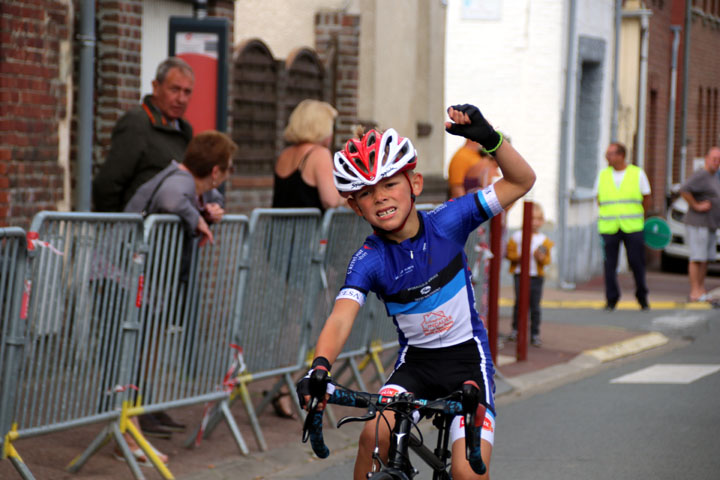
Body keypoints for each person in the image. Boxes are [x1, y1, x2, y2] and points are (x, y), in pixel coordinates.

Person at [297, 103, 536, 480]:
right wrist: (319, 367)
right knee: (374, 437)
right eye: (367, 192)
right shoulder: (369, 260)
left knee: (466, 472)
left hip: (468, 364)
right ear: (354, 206)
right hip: (417, 366)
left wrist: (490, 139)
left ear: (415, 184)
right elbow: (341, 317)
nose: (381, 197)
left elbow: (521, 181)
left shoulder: (449, 221)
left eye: (390, 184)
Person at [123, 130, 236, 447]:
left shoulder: (192, 182)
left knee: (146, 348)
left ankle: (141, 409)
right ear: (215, 172)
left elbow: (212, 199)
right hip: (125, 273)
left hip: (151, 280)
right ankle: (127, 432)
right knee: (131, 350)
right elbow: (172, 199)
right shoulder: (181, 180)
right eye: (227, 170)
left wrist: (211, 210)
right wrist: (197, 220)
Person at [268, 99, 344, 418]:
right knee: (315, 317)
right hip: (310, 248)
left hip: (282, 245)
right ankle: (292, 385)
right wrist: (351, 193)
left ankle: (284, 381)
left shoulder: (286, 155)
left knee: (293, 317)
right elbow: (329, 198)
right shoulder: (318, 155)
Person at [93, 57, 195, 212]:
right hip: (136, 228)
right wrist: (118, 225)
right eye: (174, 90)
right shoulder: (137, 123)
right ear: (156, 87)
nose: (181, 99)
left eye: (187, 92)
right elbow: (109, 182)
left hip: (166, 231)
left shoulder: (185, 130)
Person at [595, 142, 651, 311]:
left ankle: (642, 297)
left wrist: (639, 215)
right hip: (609, 226)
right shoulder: (603, 175)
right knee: (609, 265)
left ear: (621, 155)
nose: (607, 157)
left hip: (632, 226)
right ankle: (611, 299)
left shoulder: (637, 173)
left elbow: (646, 198)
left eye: (610, 154)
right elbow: (599, 198)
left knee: (636, 262)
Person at [272, 99, 344, 212]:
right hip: (311, 229)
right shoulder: (320, 154)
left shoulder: (284, 154)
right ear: (322, 128)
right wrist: (348, 197)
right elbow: (331, 201)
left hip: (280, 228)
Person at [505, 202, 553, 347]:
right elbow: (509, 254)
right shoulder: (517, 236)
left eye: (538, 219)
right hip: (520, 275)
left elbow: (547, 260)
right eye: (532, 219)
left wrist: (541, 258)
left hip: (536, 277)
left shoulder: (544, 240)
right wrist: (519, 257)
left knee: (535, 306)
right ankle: (516, 330)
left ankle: (534, 333)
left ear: (543, 221)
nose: (535, 223)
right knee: (519, 303)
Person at [679, 146, 720, 302]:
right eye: (714, 159)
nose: (716, 163)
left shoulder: (714, 176)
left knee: (705, 258)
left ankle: (701, 289)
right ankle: (694, 291)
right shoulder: (701, 175)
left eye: (719, 160)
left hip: (710, 224)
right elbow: (684, 189)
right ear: (706, 159)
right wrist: (696, 205)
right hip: (698, 223)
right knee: (697, 257)